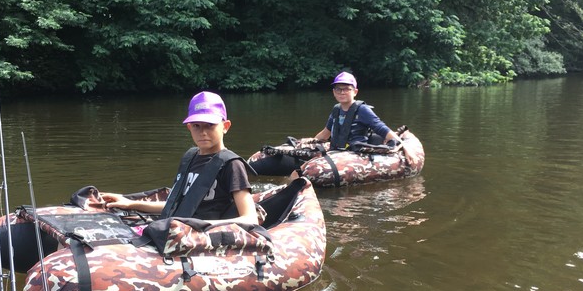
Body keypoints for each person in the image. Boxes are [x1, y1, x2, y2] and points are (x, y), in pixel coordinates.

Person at [101, 91, 259, 226]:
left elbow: (250, 219)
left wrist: (195, 225)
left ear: (225, 126)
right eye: (196, 126)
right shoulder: (190, 158)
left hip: (202, 237)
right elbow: (176, 206)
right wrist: (130, 204)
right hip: (178, 229)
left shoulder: (232, 165)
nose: (202, 132)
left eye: (209, 125)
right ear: (189, 127)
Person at [249, 71, 400, 176]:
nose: (341, 92)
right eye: (338, 89)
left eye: (346, 89)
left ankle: (294, 186)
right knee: (302, 161)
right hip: (336, 150)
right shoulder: (336, 110)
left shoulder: (363, 110)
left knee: (303, 171)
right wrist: (310, 142)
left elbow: (383, 130)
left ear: (355, 91)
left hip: (355, 153)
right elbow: (325, 134)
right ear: (334, 91)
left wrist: (401, 146)